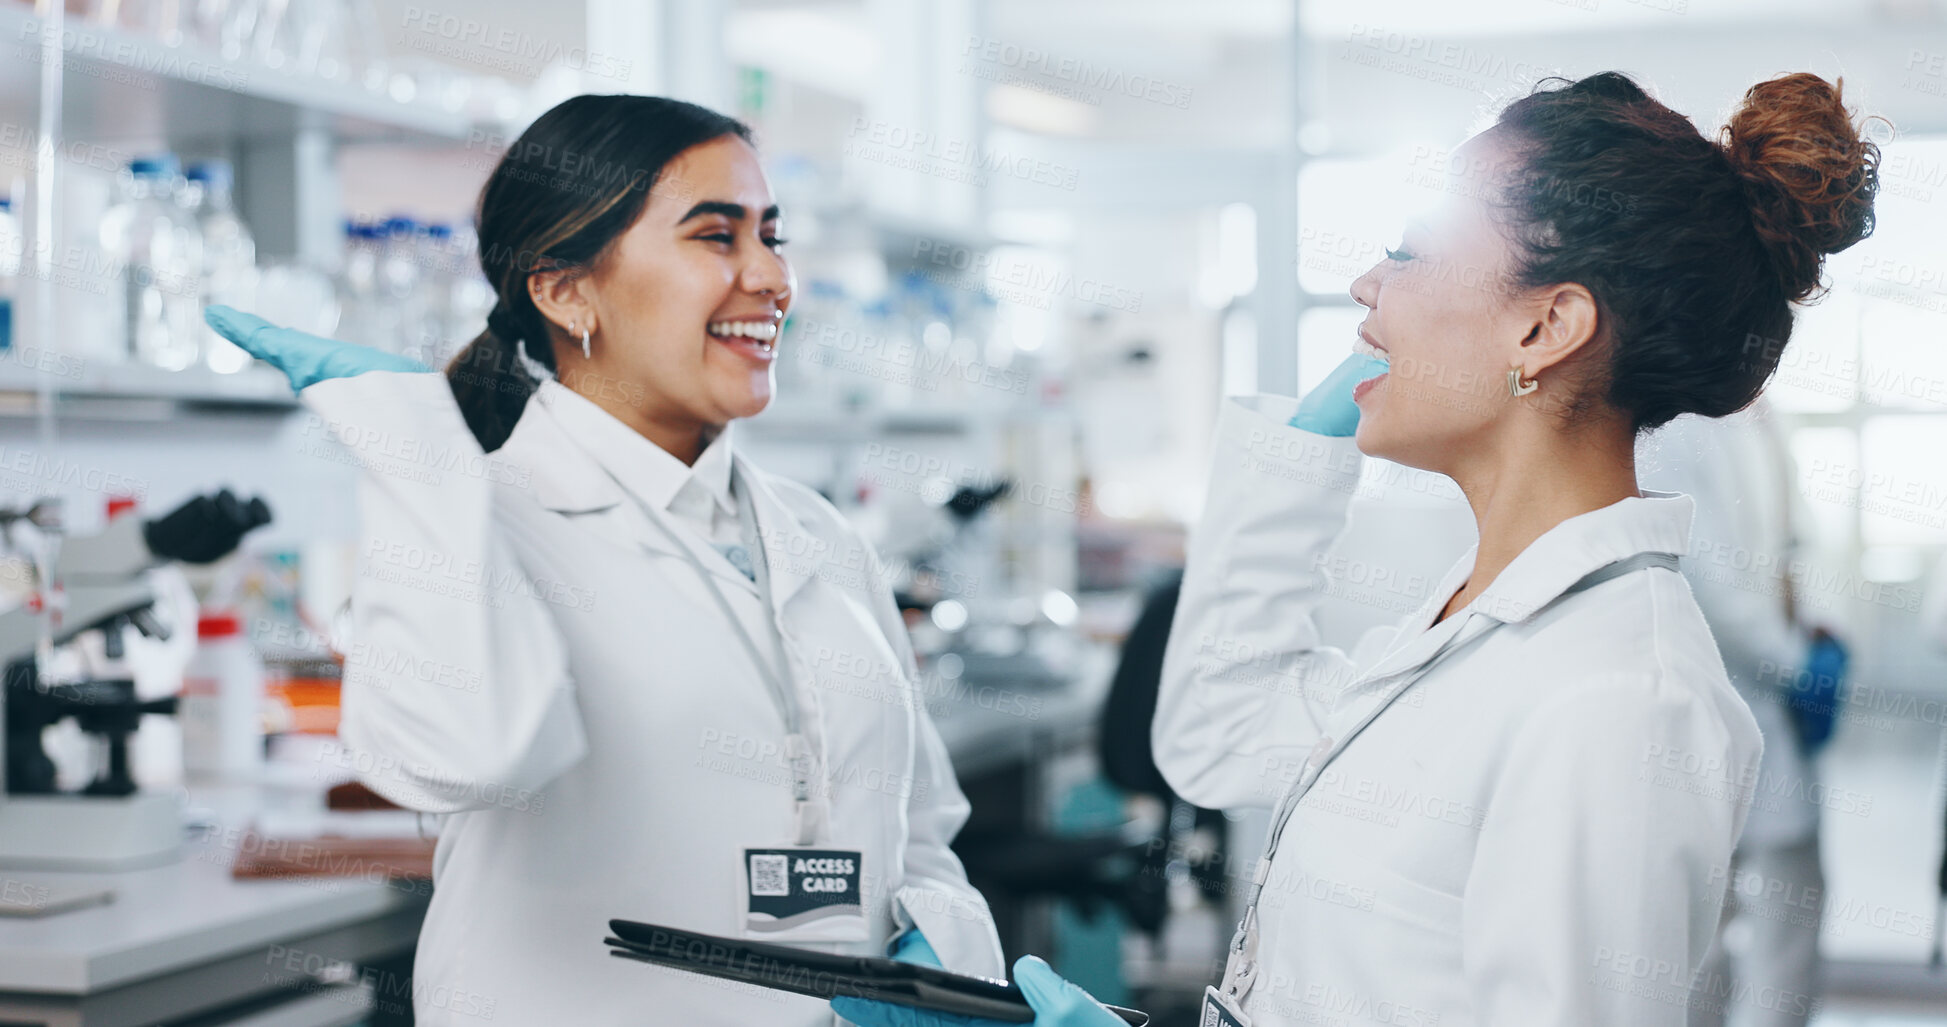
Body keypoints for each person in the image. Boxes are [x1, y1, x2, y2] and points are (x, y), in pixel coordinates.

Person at [837, 70, 1880, 1027]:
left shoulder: (1616, 697)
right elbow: (1219, 725)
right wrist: (1297, 455)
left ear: (1546, 326)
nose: (1368, 286)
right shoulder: (1479, 616)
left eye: (1415, 250)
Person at [205, 94, 1001, 1024]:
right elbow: (465, 755)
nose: (771, 278)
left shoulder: (817, 535)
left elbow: (919, 820)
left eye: (771, 236)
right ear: (564, 287)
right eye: (716, 236)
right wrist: (418, 454)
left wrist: (937, 944)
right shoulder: (481, 522)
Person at [1640, 399, 1846, 1026]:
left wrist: (1818, 640)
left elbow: (1790, 546)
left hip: (1770, 708)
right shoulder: (1679, 422)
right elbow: (1712, 586)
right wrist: (1794, 664)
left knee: (1790, 912)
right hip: (1716, 700)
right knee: (1701, 927)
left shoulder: (1763, 416)